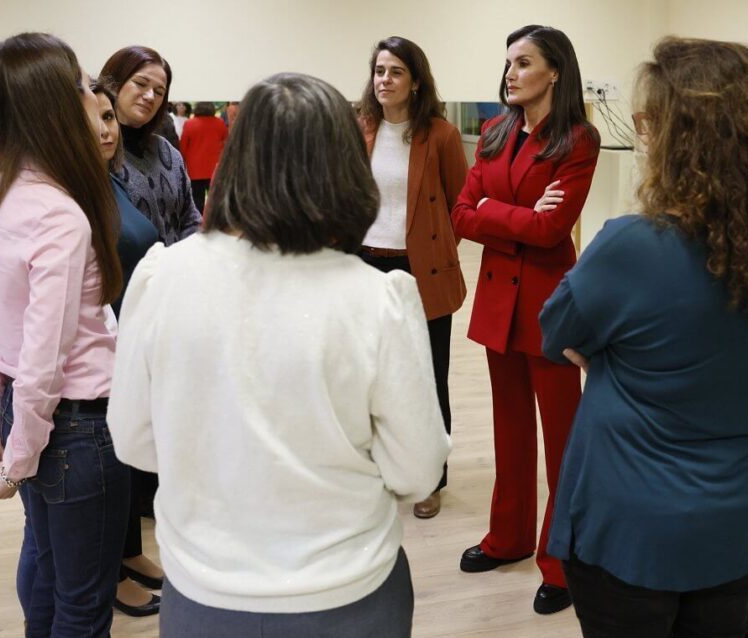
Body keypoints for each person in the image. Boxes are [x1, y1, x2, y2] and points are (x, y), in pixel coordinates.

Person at [107, 72, 450, 638]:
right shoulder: (377, 298)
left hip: (205, 592)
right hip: (348, 592)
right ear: (344, 169)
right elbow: (416, 471)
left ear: (235, 159)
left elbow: (134, 441)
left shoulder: (162, 276)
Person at [539, 37, 748, 638]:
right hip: (738, 524)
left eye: (651, 124)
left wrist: (609, 353)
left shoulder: (630, 247)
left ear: (685, 139)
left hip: (632, 529)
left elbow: (557, 335)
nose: (644, 136)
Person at [0, 32, 130, 635]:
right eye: (81, 86)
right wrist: (14, 462)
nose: (93, 95)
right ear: (53, 107)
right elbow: (44, 357)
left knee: (46, 569)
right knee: (82, 605)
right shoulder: (58, 212)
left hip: (26, 415)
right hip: (76, 427)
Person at [451, 24, 599, 615]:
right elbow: (462, 214)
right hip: (497, 305)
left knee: (562, 439)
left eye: (524, 62)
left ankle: (561, 563)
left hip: (550, 309)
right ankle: (507, 537)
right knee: (508, 430)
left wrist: (492, 209)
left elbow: (550, 230)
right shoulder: (493, 131)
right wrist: (499, 211)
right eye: (509, 63)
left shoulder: (578, 141)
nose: (511, 73)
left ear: (555, 71)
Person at [356, 36, 468, 519]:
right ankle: (376, 467)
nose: (385, 80)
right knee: (368, 375)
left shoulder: (439, 134)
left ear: (415, 81)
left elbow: (460, 206)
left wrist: (435, 251)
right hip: (363, 265)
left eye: (396, 72)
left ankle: (431, 477)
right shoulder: (359, 128)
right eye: (379, 71)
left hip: (419, 269)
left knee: (427, 376)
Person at [91, 77, 163, 618]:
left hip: (135, 333)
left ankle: (130, 552)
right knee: (113, 459)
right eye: (93, 119)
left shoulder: (110, 178)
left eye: (109, 117)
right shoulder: (77, 190)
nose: (106, 128)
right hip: (106, 340)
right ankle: (110, 570)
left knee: (131, 457)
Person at [100, 46, 201, 245]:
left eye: (159, 92)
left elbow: (191, 217)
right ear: (114, 82)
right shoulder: (100, 151)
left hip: (175, 270)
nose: (149, 96)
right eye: (140, 83)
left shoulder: (168, 153)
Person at [180, 101, 228, 214]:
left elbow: (183, 146)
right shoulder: (220, 123)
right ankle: (214, 221)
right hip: (214, 167)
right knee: (216, 198)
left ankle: (198, 223)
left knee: (197, 199)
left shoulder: (189, 123)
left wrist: (183, 163)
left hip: (194, 168)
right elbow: (226, 142)